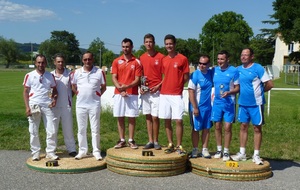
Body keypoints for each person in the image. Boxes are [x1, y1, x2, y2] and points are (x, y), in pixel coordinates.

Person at [232, 48, 273, 165]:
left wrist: (260, 92)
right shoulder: (238, 69)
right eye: (242, 55)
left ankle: (256, 155)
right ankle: (242, 153)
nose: (243, 57)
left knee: (257, 128)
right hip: (243, 104)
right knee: (243, 126)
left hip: (256, 104)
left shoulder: (258, 68)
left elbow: (270, 84)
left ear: (251, 57)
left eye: (246, 55)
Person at [23, 54, 59, 161]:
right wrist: (27, 107)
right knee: (33, 130)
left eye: (43, 62)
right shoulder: (29, 75)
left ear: (46, 63)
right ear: (35, 63)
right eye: (38, 62)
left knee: (51, 130)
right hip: (34, 105)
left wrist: (54, 100)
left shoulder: (50, 76)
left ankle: (50, 152)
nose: (40, 64)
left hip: (47, 105)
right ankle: (35, 152)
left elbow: (55, 90)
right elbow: (25, 91)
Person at [71, 52, 106, 160]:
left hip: (94, 105)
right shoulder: (76, 72)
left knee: (95, 129)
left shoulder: (99, 72)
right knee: (81, 129)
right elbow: (73, 86)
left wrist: (98, 95)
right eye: (85, 59)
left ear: (93, 59)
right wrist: (78, 93)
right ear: (82, 60)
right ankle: (82, 151)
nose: (87, 61)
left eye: (89, 59)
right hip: (80, 105)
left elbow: (103, 87)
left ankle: (96, 151)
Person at [159, 34, 190, 155]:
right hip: (164, 94)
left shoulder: (183, 58)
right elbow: (164, 76)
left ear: (175, 44)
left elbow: (186, 76)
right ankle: (170, 143)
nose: (168, 46)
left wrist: (178, 86)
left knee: (178, 120)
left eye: (170, 43)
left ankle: (179, 145)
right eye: (166, 44)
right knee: (167, 120)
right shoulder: (164, 59)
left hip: (176, 94)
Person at [111, 38, 142, 149]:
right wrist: (121, 89)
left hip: (132, 93)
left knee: (131, 117)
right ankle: (121, 140)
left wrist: (127, 87)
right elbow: (114, 77)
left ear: (132, 47)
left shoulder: (137, 61)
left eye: (127, 46)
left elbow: (138, 79)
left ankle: (131, 140)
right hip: (119, 93)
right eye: (123, 46)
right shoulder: (116, 61)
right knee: (120, 116)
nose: (125, 49)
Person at [211, 50, 240, 161]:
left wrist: (229, 92)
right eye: (218, 59)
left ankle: (226, 151)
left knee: (227, 127)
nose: (219, 61)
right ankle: (219, 150)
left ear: (228, 59)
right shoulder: (214, 70)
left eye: (222, 59)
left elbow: (238, 88)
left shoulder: (234, 71)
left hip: (229, 103)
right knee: (217, 126)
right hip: (217, 103)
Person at [139, 33, 164, 150]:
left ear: (154, 43)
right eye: (146, 42)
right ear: (144, 43)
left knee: (155, 117)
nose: (148, 44)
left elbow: (166, 76)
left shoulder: (161, 57)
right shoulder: (142, 57)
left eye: (150, 42)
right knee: (148, 116)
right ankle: (150, 141)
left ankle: (156, 141)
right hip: (146, 91)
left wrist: (158, 86)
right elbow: (141, 75)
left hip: (157, 92)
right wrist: (141, 87)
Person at [51, 54, 77, 157]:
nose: (60, 63)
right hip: (54, 107)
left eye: (62, 61)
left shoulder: (69, 74)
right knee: (53, 130)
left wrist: (69, 98)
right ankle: (52, 150)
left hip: (67, 106)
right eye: (58, 62)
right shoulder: (50, 75)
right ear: (55, 62)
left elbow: (73, 89)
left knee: (68, 129)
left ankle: (71, 149)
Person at [188, 55, 214, 158]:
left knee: (207, 129)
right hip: (197, 107)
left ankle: (205, 149)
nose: (201, 65)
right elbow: (191, 92)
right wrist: (195, 107)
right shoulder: (195, 75)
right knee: (195, 129)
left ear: (209, 65)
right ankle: (195, 149)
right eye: (200, 63)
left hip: (208, 107)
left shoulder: (211, 74)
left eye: (204, 64)